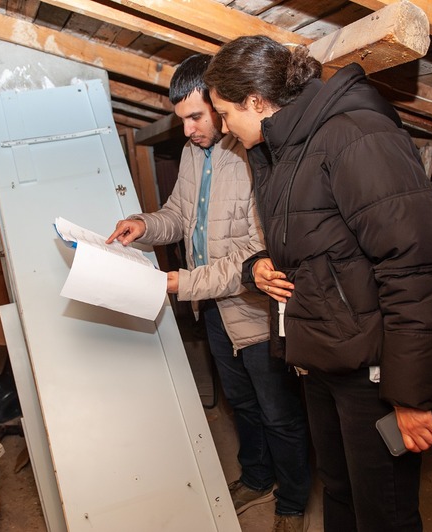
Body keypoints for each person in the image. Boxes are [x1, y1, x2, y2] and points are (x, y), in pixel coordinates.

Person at [203, 36, 432, 531]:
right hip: (320, 356)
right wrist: (259, 265)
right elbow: (316, 243)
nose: (223, 126)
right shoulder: (284, 149)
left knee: (383, 511)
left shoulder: (356, 137)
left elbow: (416, 267)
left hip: (370, 369)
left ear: (256, 101)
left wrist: (409, 395)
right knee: (339, 491)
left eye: (225, 113)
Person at [106, 53, 311, 531]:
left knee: (279, 413)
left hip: (258, 313)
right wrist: (144, 224)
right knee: (242, 403)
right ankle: (257, 477)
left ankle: (292, 503)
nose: (189, 129)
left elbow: (253, 255)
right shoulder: (192, 152)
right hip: (214, 309)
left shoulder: (256, 153)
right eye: (182, 120)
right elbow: (179, 215)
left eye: (197, 116)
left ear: (222, 103)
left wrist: (180, 283)